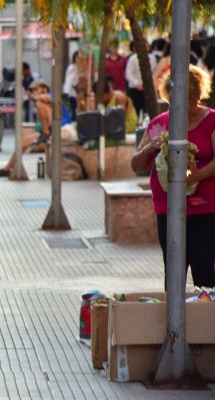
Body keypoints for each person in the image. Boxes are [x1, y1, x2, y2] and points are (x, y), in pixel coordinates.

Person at [131, 65, 215, 289]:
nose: (180, 105)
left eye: (187, 98)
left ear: (197, 95)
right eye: (173, 99)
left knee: (204, 268)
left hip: (205, 205)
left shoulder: (211, 121)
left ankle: (205, 319)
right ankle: (174, 321)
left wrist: (198, 174)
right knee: (173, 269)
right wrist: (149, 149)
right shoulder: (160, 123)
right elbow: (136, 164)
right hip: (168, 206)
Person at [0, 80, 54, 177]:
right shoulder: (43, 101)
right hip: (45, 133)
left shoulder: (45, 99)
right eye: (33, 90)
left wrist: (34, 96)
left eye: (36, 89)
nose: (34, 92)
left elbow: (46, 98)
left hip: (48, 134)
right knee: (21, 143)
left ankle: (6, 169)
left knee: (21, 143)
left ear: (44, 89)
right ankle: (7, 168)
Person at [125, 40, 157, 116]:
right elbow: (128, 73)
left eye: (146, 46)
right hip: (135, 90)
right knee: (135, 112)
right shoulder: (132, 59)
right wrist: (136, 84)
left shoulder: (152, 59)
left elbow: (154, 72)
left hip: (148, 90)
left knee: (148, 112)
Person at [63, 51, 79, 121]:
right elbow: (69, 80)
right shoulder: (72, 67)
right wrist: (66, 92)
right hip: (73, 93)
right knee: (74, 111)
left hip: (75, 94)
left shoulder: (78, 68)